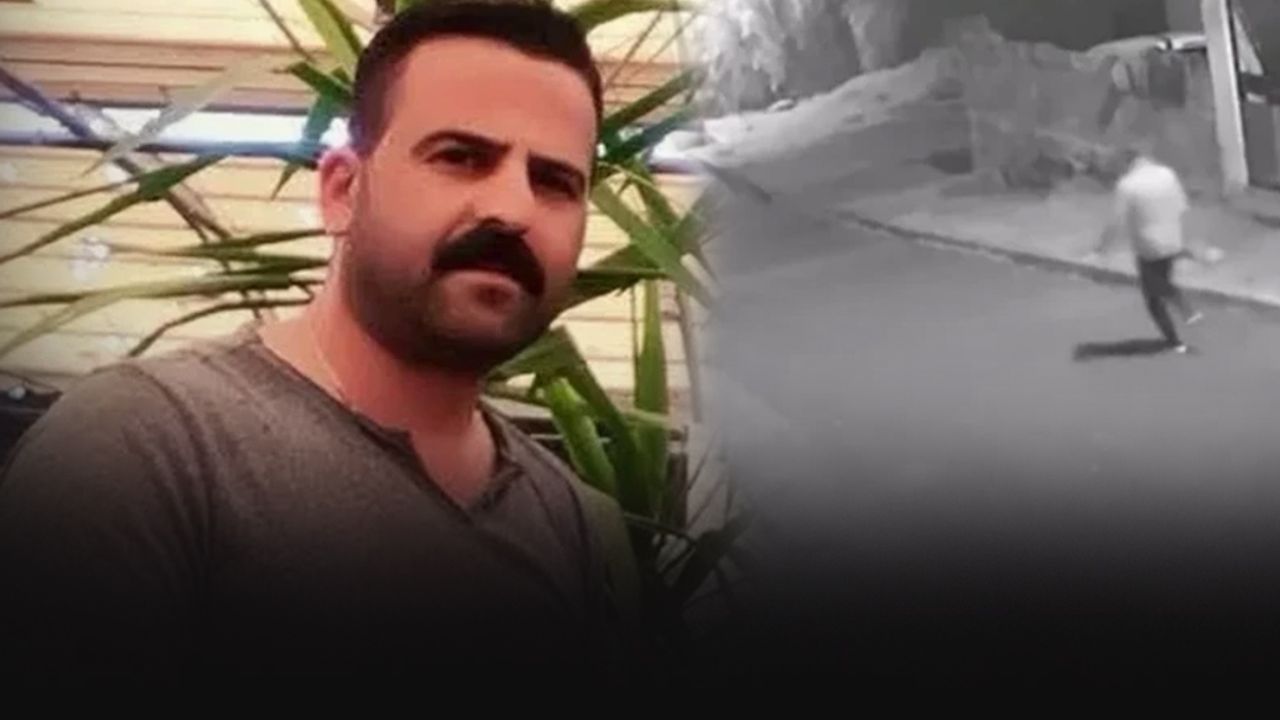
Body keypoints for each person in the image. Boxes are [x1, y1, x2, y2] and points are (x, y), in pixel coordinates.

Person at [0, 0, 644, 684]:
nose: (512, 209)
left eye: (554, 182)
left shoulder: (570, 523)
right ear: (342, 191)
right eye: (460, 157)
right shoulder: (144, 452)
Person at [1085, 144, 1222, 354]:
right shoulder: (1167, 174)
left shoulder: (1127, 185)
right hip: (1172, 239)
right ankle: (1181, 322)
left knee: (1153, 296)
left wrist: (1101, 248)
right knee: (1160, 282)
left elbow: (1116, 221)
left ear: (1126, 163)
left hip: (1148, 246)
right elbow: (1181, 206)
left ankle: (1179, 329)